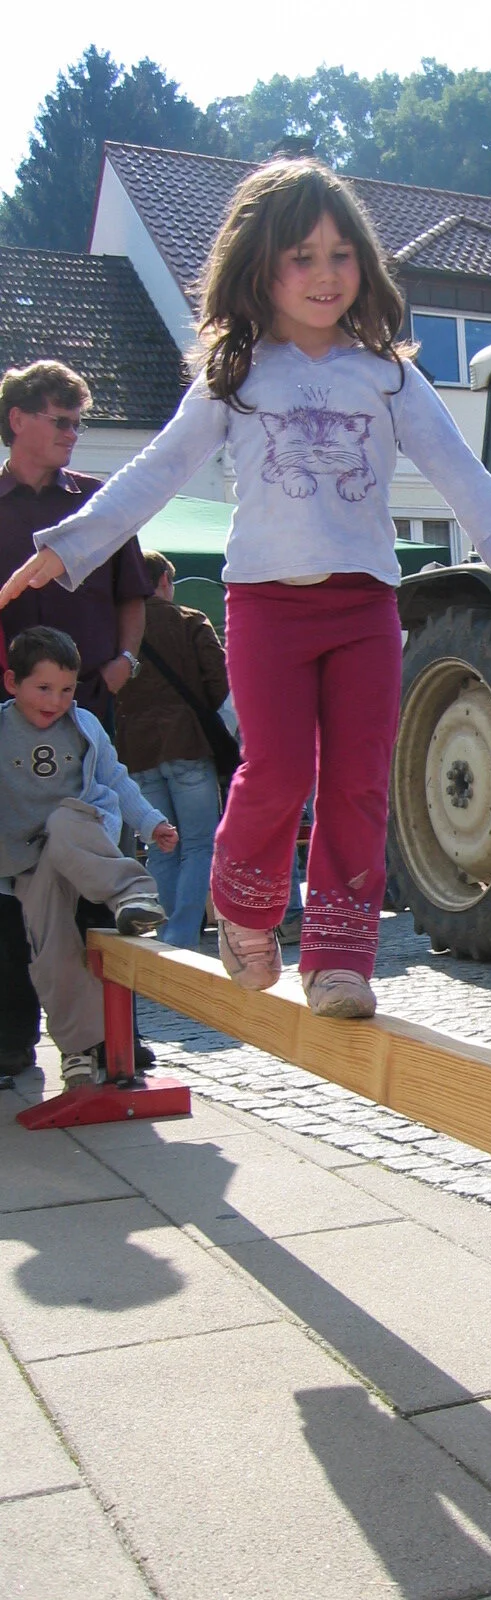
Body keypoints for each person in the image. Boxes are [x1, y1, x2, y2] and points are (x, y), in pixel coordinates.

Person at [0, 158, 491, 1023]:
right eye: (301, 258)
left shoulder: (388, 376)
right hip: (267, 605)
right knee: (278, 769)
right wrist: (66, 549)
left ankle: (337, 957)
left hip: (363, 606)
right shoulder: (236, 376)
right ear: (262, 269)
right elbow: (156, 472)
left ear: (363, 263)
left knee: (358, 782)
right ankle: (245, 905)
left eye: (339, 256)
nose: (324, 276)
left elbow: (468, 486)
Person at [0, 359, 155, 1077]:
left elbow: (133, 594)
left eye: (77, 421)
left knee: (95, 874)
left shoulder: (98, 505)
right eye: (60, 420)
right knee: (13, 878)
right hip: (2, 721)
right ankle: (9, 1038)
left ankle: (109, 1037)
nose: (72, 434)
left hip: (85, 708)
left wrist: (125, 659)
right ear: (18, 420)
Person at [0, 627, 177, 1089]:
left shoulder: (84, 726)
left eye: (66, 689)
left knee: (63, 822)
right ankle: (77, 1046)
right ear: (11, 683)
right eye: (43, 688)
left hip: (83, 841)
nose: (55, 701)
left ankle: (132, 894)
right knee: (48, 953)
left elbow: (117, 781)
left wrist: (151, 822)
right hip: (28, 863)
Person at [116, 552, 230, 948]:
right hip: (187, 743)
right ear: (165, 580)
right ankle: (182, 936)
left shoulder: (117, 630)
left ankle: (165, 938)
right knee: (199, 844)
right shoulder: (190, 620)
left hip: (137, 751)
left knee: (160, 846)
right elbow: (221, 682)